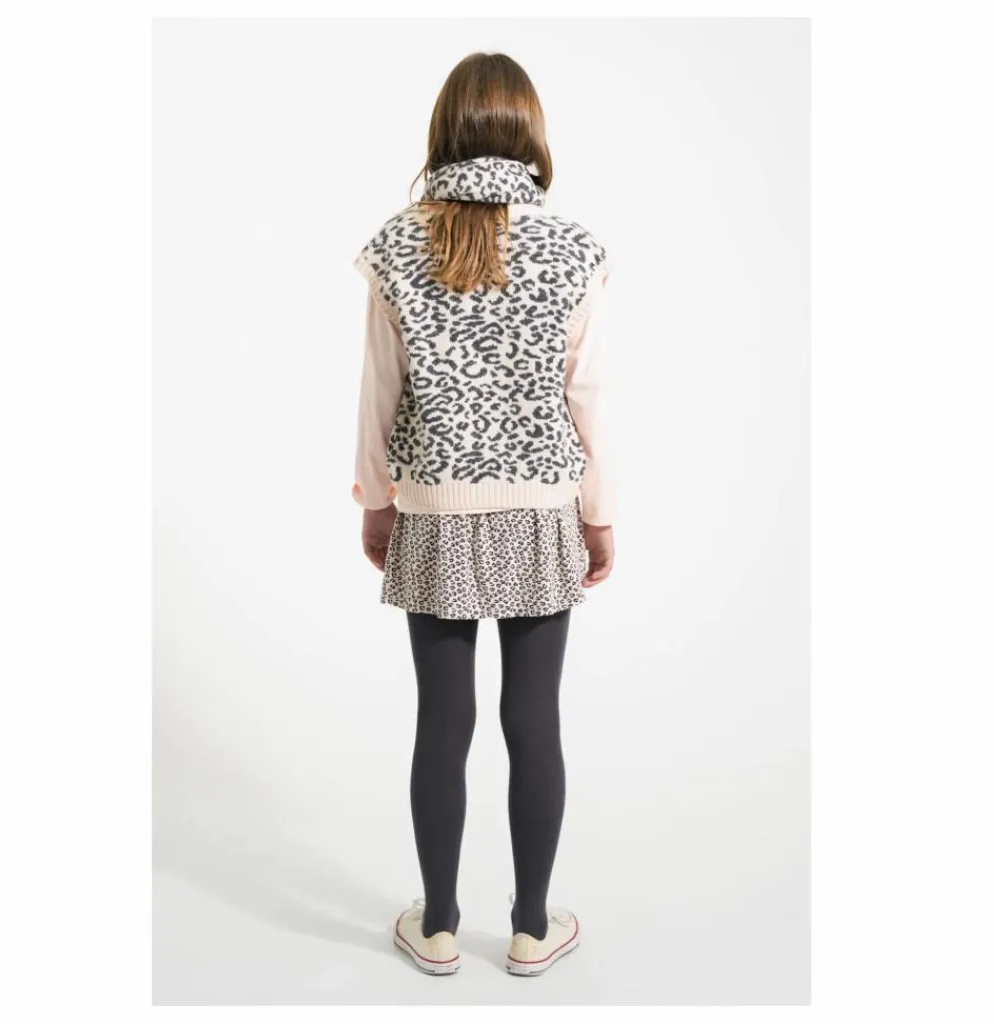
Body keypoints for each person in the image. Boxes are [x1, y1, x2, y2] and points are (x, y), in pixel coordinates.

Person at [351, 52, 614, 977]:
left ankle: (437, 926)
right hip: (541, 508)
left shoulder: (397, 244)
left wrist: (376, 501)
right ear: (528, 131)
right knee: (533, 718)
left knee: (442, 721)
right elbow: (586, 395)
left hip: (434, 507)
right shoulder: (573, 247)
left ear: (445, 131)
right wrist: (598, 513)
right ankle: (533, 928)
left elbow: (379, 392)